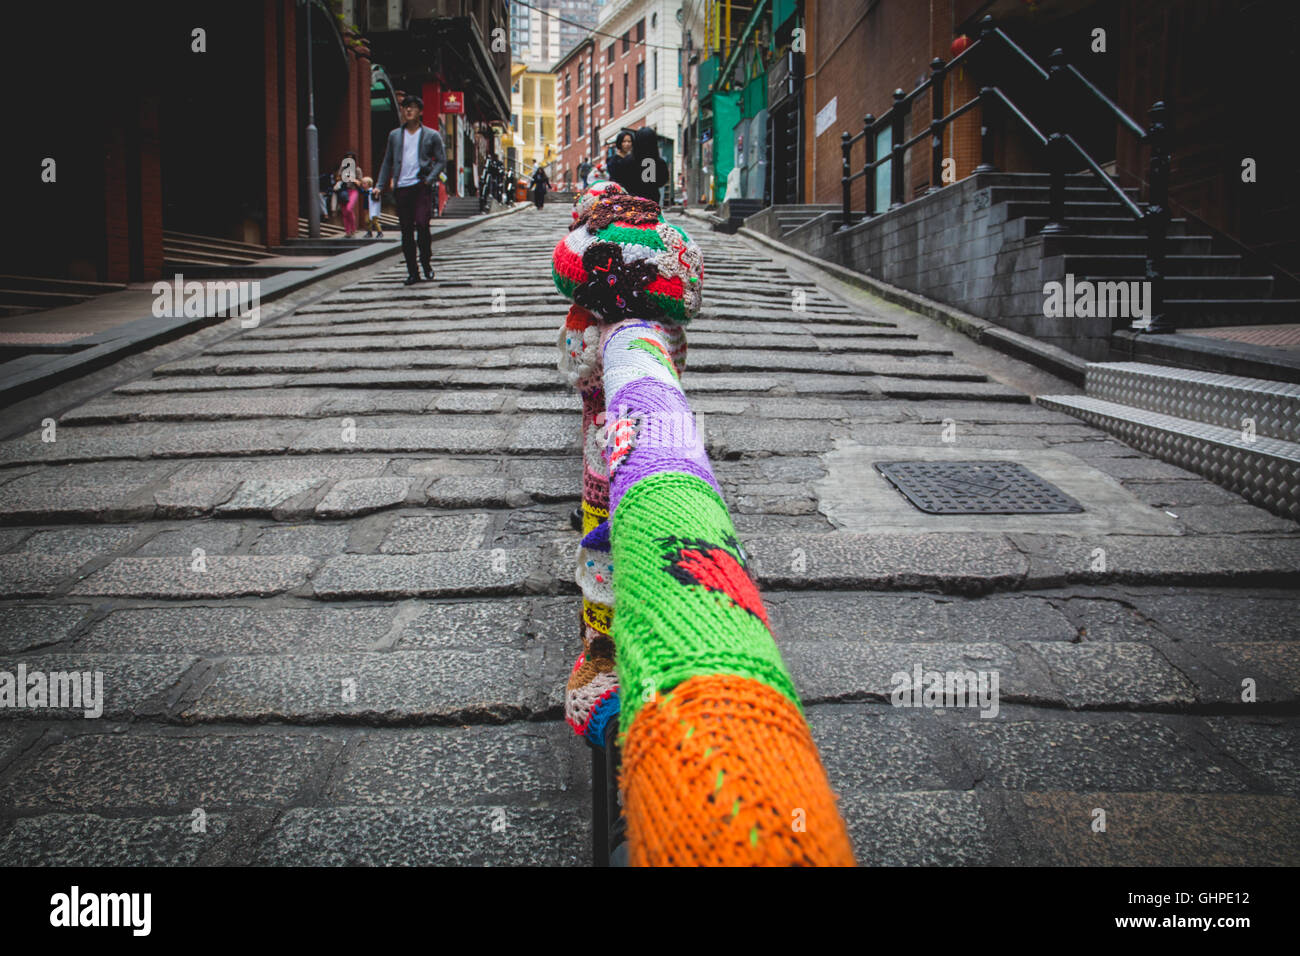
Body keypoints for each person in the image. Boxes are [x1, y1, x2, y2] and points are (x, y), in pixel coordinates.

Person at [375, 95, 447, 285]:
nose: (408, 111)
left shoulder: (432, 135)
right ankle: (412, 271)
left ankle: (426, 263)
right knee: (406, 231)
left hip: (421, 186)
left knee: (422, 226)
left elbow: (441, 160)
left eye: (413, 108)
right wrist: (379, 186)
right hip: (402, 188)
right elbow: (387, 162)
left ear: (420, 112)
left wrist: (430, 180)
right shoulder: (395, 135)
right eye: (406, 107)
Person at [621, 126, 669, 204]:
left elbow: (623, 181)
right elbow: (663, 180)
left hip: (632, 201)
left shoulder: (627, 161)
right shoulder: (660, 162)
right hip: (652, 200)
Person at [334, 152, 362, 237]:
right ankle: (347, 232)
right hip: (343, 191)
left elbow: (359, 182)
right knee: (344, 212)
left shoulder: (357, 169)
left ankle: (353, 229)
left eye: (351, 158)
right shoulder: (342, 168)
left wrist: (352, 178)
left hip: (353, 191)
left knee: (349, 209)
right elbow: (337, 178)